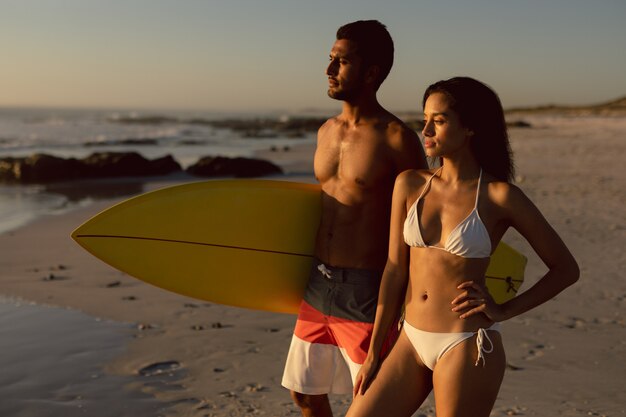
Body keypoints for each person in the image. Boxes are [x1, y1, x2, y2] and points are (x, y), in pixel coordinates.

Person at [346, 77, 580, 417]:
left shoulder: (500, 196)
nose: (425, 129)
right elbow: (395, 269)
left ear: (469, 128)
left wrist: (503, 310)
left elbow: (566, 269)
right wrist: (373, 354)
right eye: (424, 118)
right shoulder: (410, 184)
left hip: (466, 343)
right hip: (409, 338)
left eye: (438, 121)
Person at [281, 20, 427, 417]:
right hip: (317, 283)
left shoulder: (397, 138)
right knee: (306, 395)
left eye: (341, 62)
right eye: (330, 59)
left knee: (370, 402)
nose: (329, 70)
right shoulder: (326, 131)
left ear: (371, 72)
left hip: (367, 290)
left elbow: (425, 221)